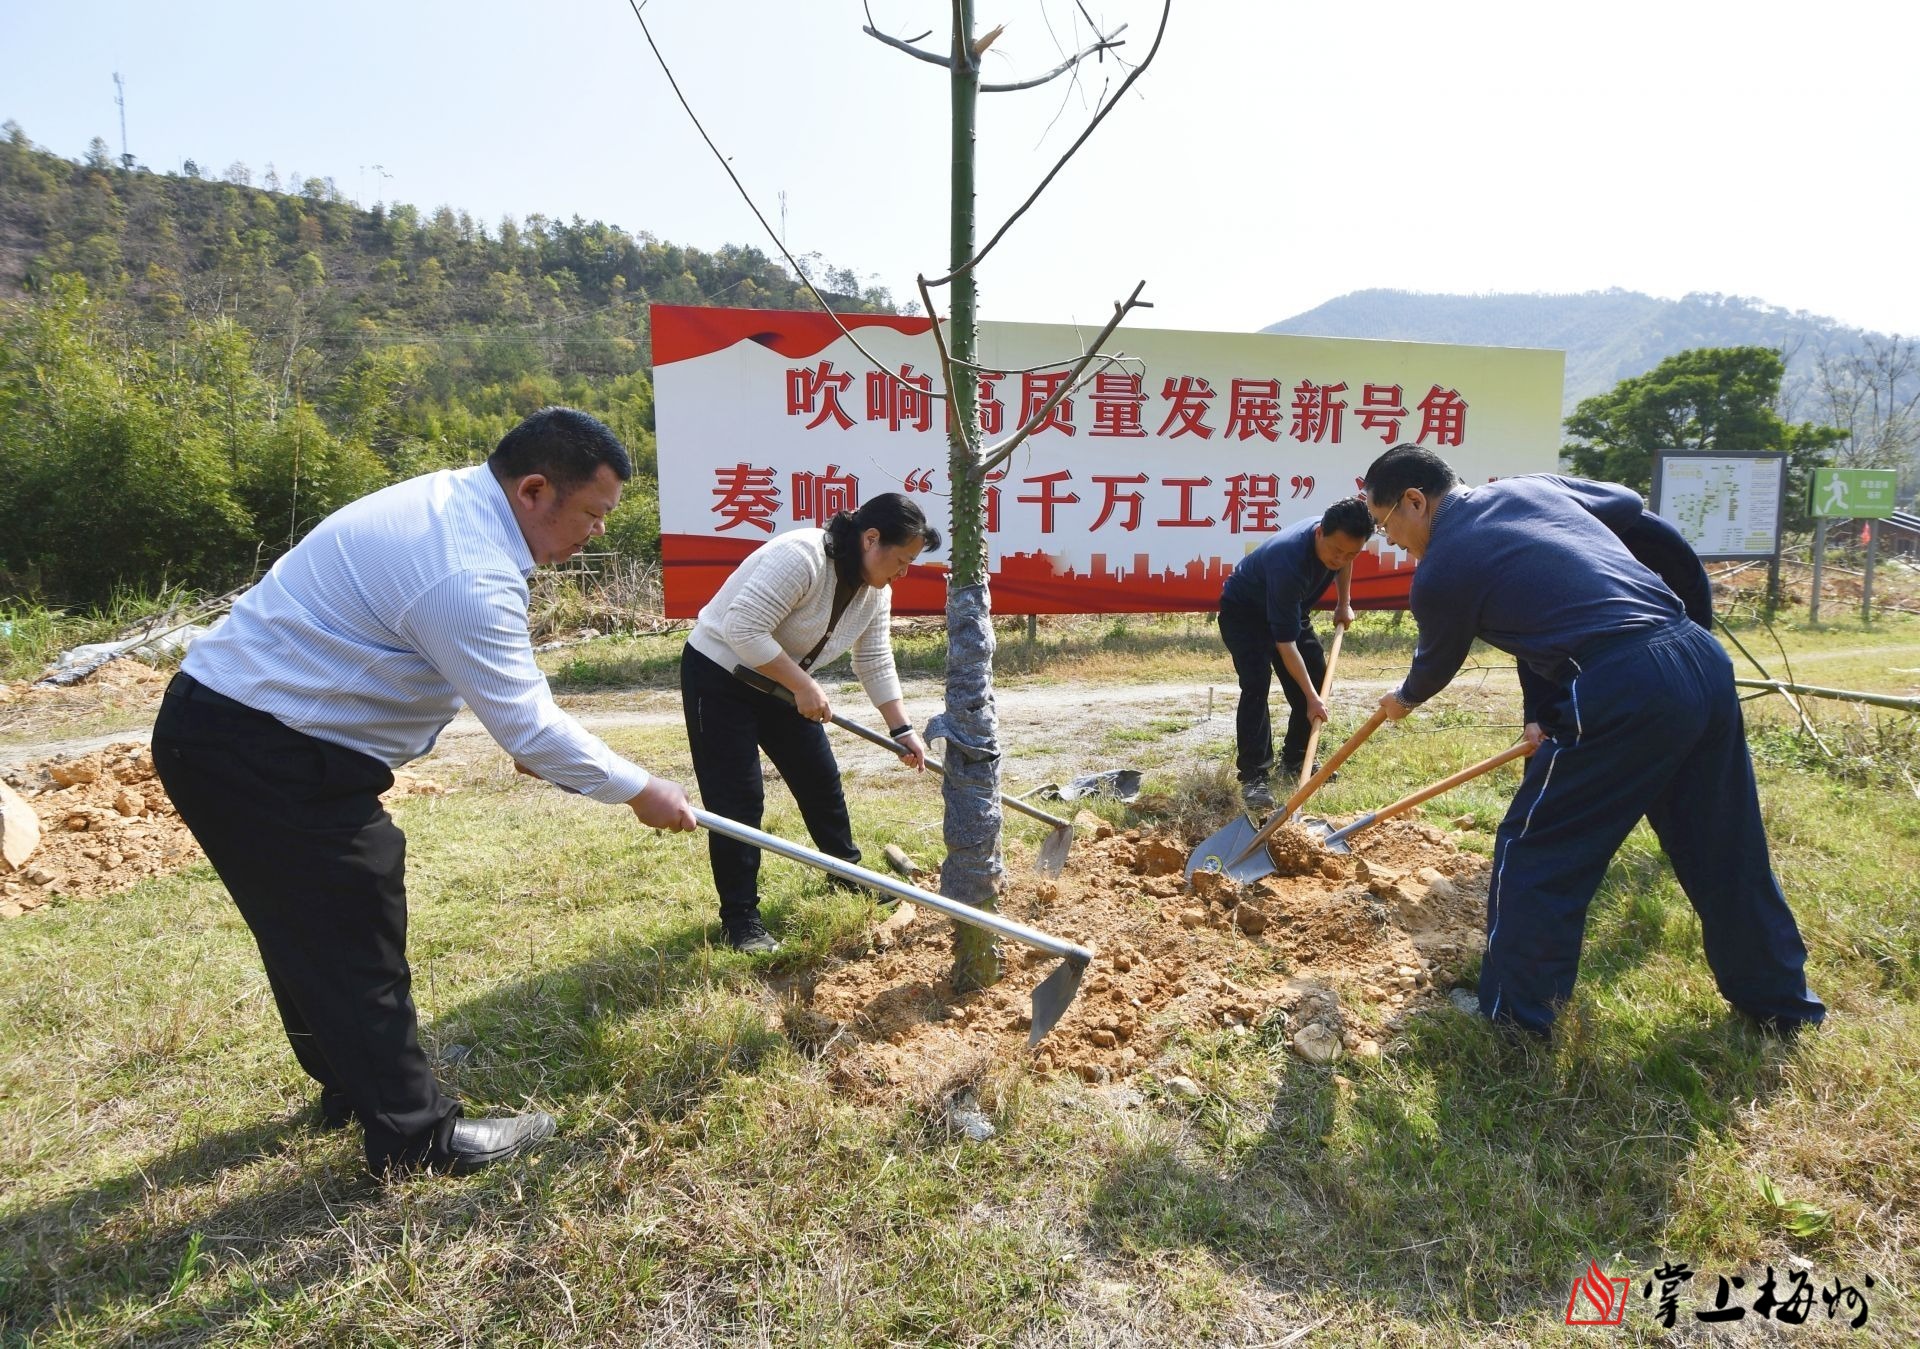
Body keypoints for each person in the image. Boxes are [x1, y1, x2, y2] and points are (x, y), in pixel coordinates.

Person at [152, 407, 698, 1178]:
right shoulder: (466, 567)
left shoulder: (457, 509)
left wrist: (545, 753)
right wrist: (641, 789)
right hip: (262, 746)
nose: (599, 531)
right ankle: (415, 1138)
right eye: (592, 512)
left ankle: (357, 1079)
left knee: (305, 922)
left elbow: (490, 700)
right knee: (352, 914)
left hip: (224, 730)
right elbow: (531, 725)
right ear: (534, 490)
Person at [1361, 443, 1824, 1036]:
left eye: (1384, 523)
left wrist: (1403, 699)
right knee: (1724, 843)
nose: (1389, 539)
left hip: (1621, 682)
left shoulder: (1443, 566)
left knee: (1537, 851)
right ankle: (1782, 1007)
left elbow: (1435, 664)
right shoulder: (1530, 488)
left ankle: (1517, 1020)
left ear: (1414, 501)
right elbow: (1630, 507)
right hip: (1698, 656)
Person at [680, 494, 939, 953]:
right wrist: (803, 684)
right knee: (738, 800)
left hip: (782, 682)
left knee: (820, 780)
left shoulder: (875, 591)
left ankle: (846, 873)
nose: (903, 573)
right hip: (720, 677)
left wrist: (901, 729)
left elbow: (874, 659)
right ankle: (741, 920)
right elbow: (743, 629)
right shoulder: (802, 556)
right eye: (901, 560)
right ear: (871, 539)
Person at [1216, 498, 1373, 813]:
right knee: (1256, 684)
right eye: (1336, 550)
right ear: (1320, 533)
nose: (1340, 558)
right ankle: (1254, 776)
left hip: (1289, 609)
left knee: (1317, 677)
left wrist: (1343, 602)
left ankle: (1297, 759)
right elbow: (1285, 644)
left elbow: (1344, 560)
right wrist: (1312, 699)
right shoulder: (1289, 560)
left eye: (1351, 553)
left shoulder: (1339, 542)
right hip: (1245, 613)